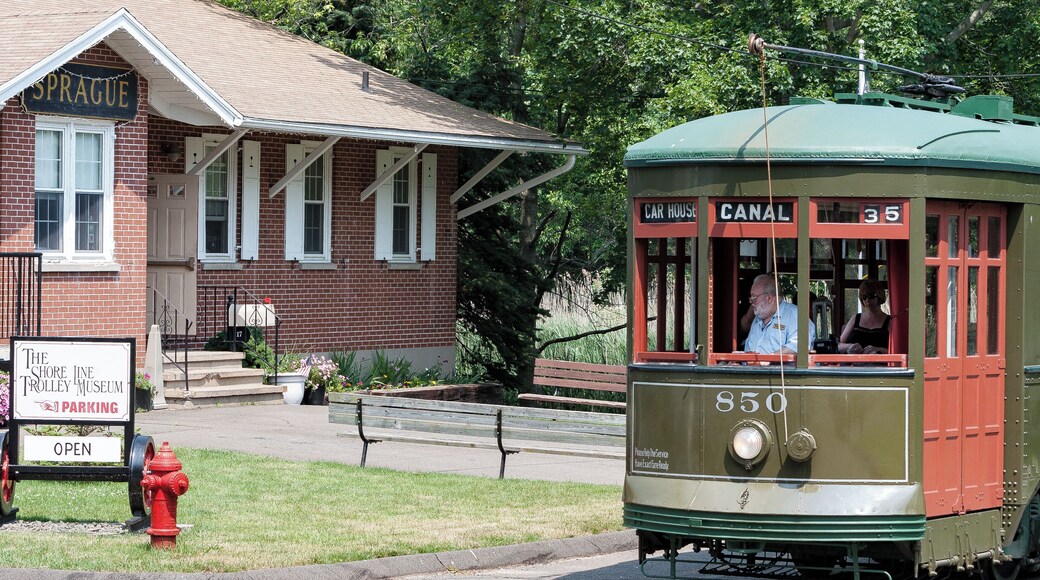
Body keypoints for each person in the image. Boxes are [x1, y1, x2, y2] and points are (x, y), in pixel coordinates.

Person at [743, 274, 815, 355]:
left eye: (754, 297)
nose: (751, 301)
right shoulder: (758, 318)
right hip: (750, 367)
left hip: (780, 368)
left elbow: (798, 347)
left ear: (769, 298)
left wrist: (768, 359)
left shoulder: (795, 316)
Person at [838, 279, 890, 355]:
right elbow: (839, 345)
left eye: (871, 296)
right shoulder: (856, 318)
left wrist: (878, 349)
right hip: (853, 364)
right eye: (864, 297)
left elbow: (896, 349)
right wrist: (850, 346)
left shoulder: (889, 321)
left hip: (879, 365)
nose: (868, 300)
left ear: (880, 296)